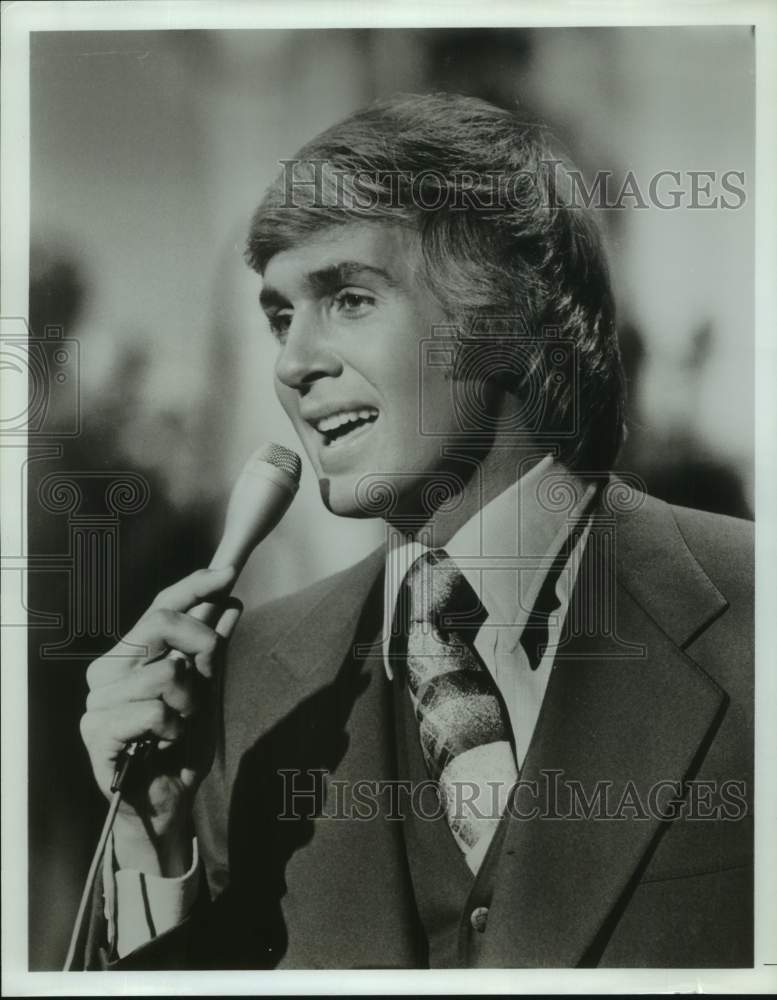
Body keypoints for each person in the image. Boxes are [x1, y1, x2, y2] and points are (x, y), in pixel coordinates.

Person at [78, 93, 753, 969]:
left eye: (350, 298)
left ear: (509, 315)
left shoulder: (753, 615)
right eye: (280, 316)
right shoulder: (249, 683)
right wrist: (152, 843)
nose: (292, 363)